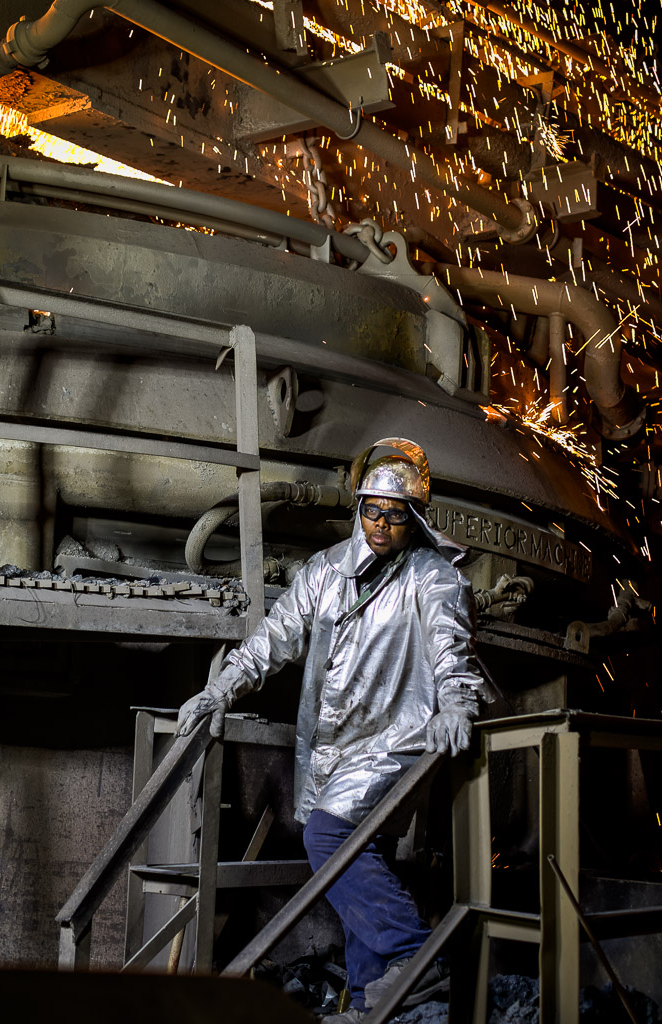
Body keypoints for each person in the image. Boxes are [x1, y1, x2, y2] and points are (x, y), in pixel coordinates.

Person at [177, 437, 483, 1020]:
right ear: (358, 506)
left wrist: (455, 705)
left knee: (326, 839)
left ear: (413, 517)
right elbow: (274, 637)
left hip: (396, 743)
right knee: (363, 858)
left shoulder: (431, 576)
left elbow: (452, 647)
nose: (381, 525)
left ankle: (418, 956)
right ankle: (373, 1003)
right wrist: (221, 689)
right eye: (372, 510)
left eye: (395, 515)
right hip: (334, 750)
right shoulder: (325, 573)